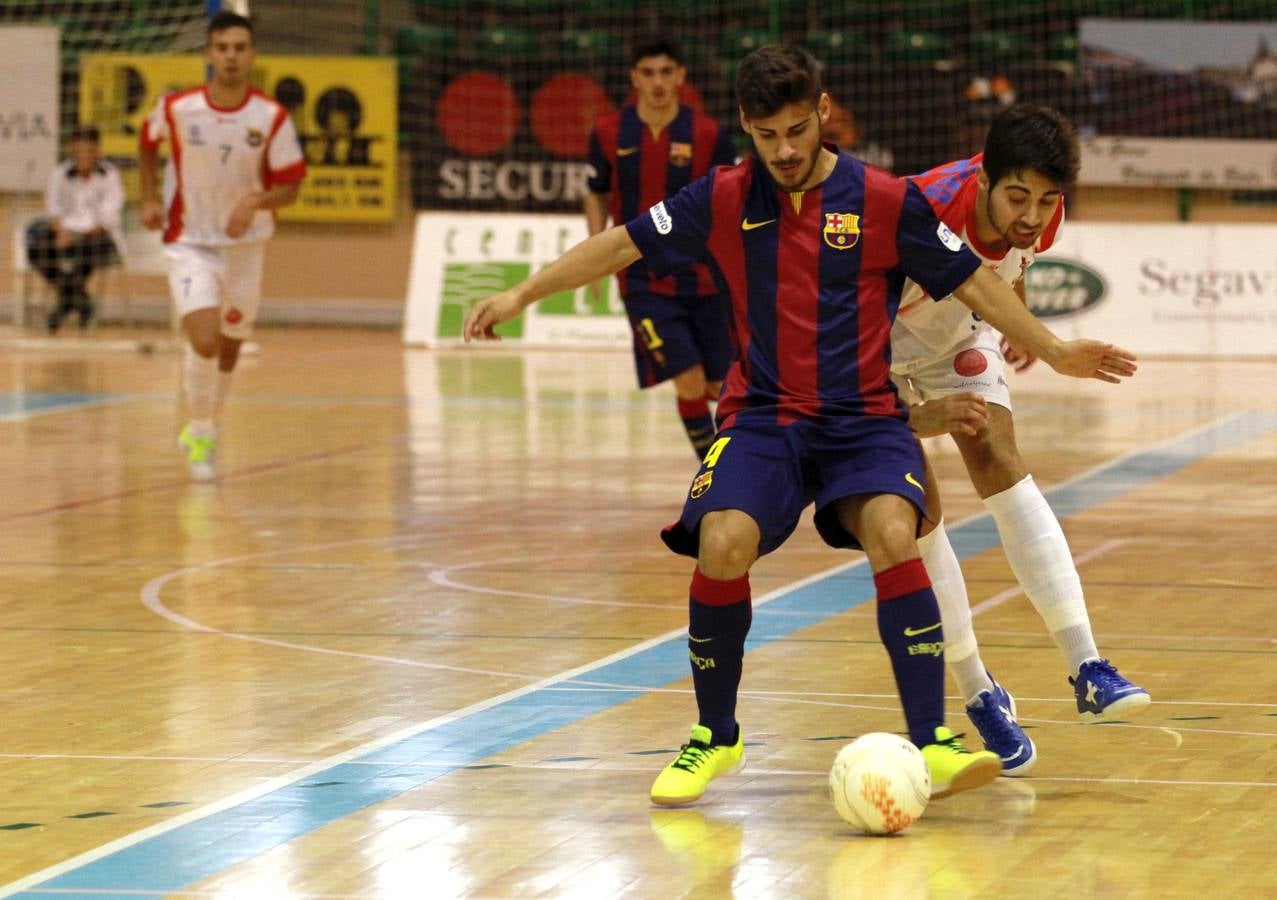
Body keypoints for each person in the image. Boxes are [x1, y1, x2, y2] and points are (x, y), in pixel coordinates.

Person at [464, 46, 1137, 807]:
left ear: (821, 114)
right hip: (765, 414)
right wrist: (520, 293)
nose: (783, 151)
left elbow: (975, 279)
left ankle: (938, 737)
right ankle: (714, 736)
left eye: (795, 129)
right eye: (765, 134)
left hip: (861, 413)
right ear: (745, 129)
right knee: (721, 541)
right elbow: (620, 242)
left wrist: (1049, 345)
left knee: (896, 526)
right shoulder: (720, 196)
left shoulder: (882, 198)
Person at [891, 104, 1150, 776]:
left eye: (1045, 199)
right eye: (1016, 197)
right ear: (981, 178)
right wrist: (918, 415)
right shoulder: (918, 209)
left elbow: (1012, 260)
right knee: (915, 516)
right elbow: (852, 329)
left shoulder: (1040, 213)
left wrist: (1016, 313)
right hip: (874, 351)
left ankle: (1087, 667)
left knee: (999, 459)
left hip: (958, 334)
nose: (1032, 215)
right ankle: (978, 691)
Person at [138, 10, 306, 481]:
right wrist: (149, 195)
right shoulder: (179, 108)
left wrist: (255, 199)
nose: (231, 56)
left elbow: (292, 188)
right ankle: (201, 431)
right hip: (190, 240)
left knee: (232, 345)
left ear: (252, 54)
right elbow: (147, 144)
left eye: (239, 47)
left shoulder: (270, 117)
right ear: (209, 54)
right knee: (205, 340)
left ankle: (209, 423)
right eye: (222, 48)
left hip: (246, 245)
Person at [585, 36, 738, 460]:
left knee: (717, 386)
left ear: (680, 77)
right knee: (687, 379)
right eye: (648, 73)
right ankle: (713, 471)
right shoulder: (607, 131)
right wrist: (597, 254)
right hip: (641, 280)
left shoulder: (709, 135)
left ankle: (740, 454)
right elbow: (596, 193)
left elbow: (731, 200)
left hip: (704, 278)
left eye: (666, 72)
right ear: (634, 77)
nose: (657, 82)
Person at [26, 125, 124, 332]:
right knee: (37, 248)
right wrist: (62, 232)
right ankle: (80, 301)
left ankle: (62, 307)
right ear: (72, 149)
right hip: (64, 233)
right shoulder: (59, 174)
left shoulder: (110, 175)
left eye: (89, 150)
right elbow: (53, 209)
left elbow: (108, 219)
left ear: (97, 150)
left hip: (96, 237)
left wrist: (77, 236)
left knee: (88, 250)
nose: (84, 155)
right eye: (79, 149)